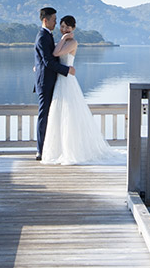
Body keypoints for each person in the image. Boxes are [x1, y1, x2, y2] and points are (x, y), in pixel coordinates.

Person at [41, 15, 118, 165]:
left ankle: (73, 150)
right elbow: (54, 55)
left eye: (67, 27)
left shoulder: (73, 42)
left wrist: (64, 38)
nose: (64, 29)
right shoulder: (63, 41)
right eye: (62, 26)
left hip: (67, 80)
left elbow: (56, 54)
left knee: (70, 114)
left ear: (73, 29)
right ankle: (59, 149)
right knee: (59, 113)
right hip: (61, 79)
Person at [32, 6, 73, 161]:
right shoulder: (42, 36)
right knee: (44, 115)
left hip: (51, 80)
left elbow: (44, 58)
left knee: (52, 114)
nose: (56, 23)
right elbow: (48, 61)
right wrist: (67, 69)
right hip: (45, 82)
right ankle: (40, 150)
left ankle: (51, 148)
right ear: (45, 20)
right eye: (54, 20)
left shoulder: (47, 35)